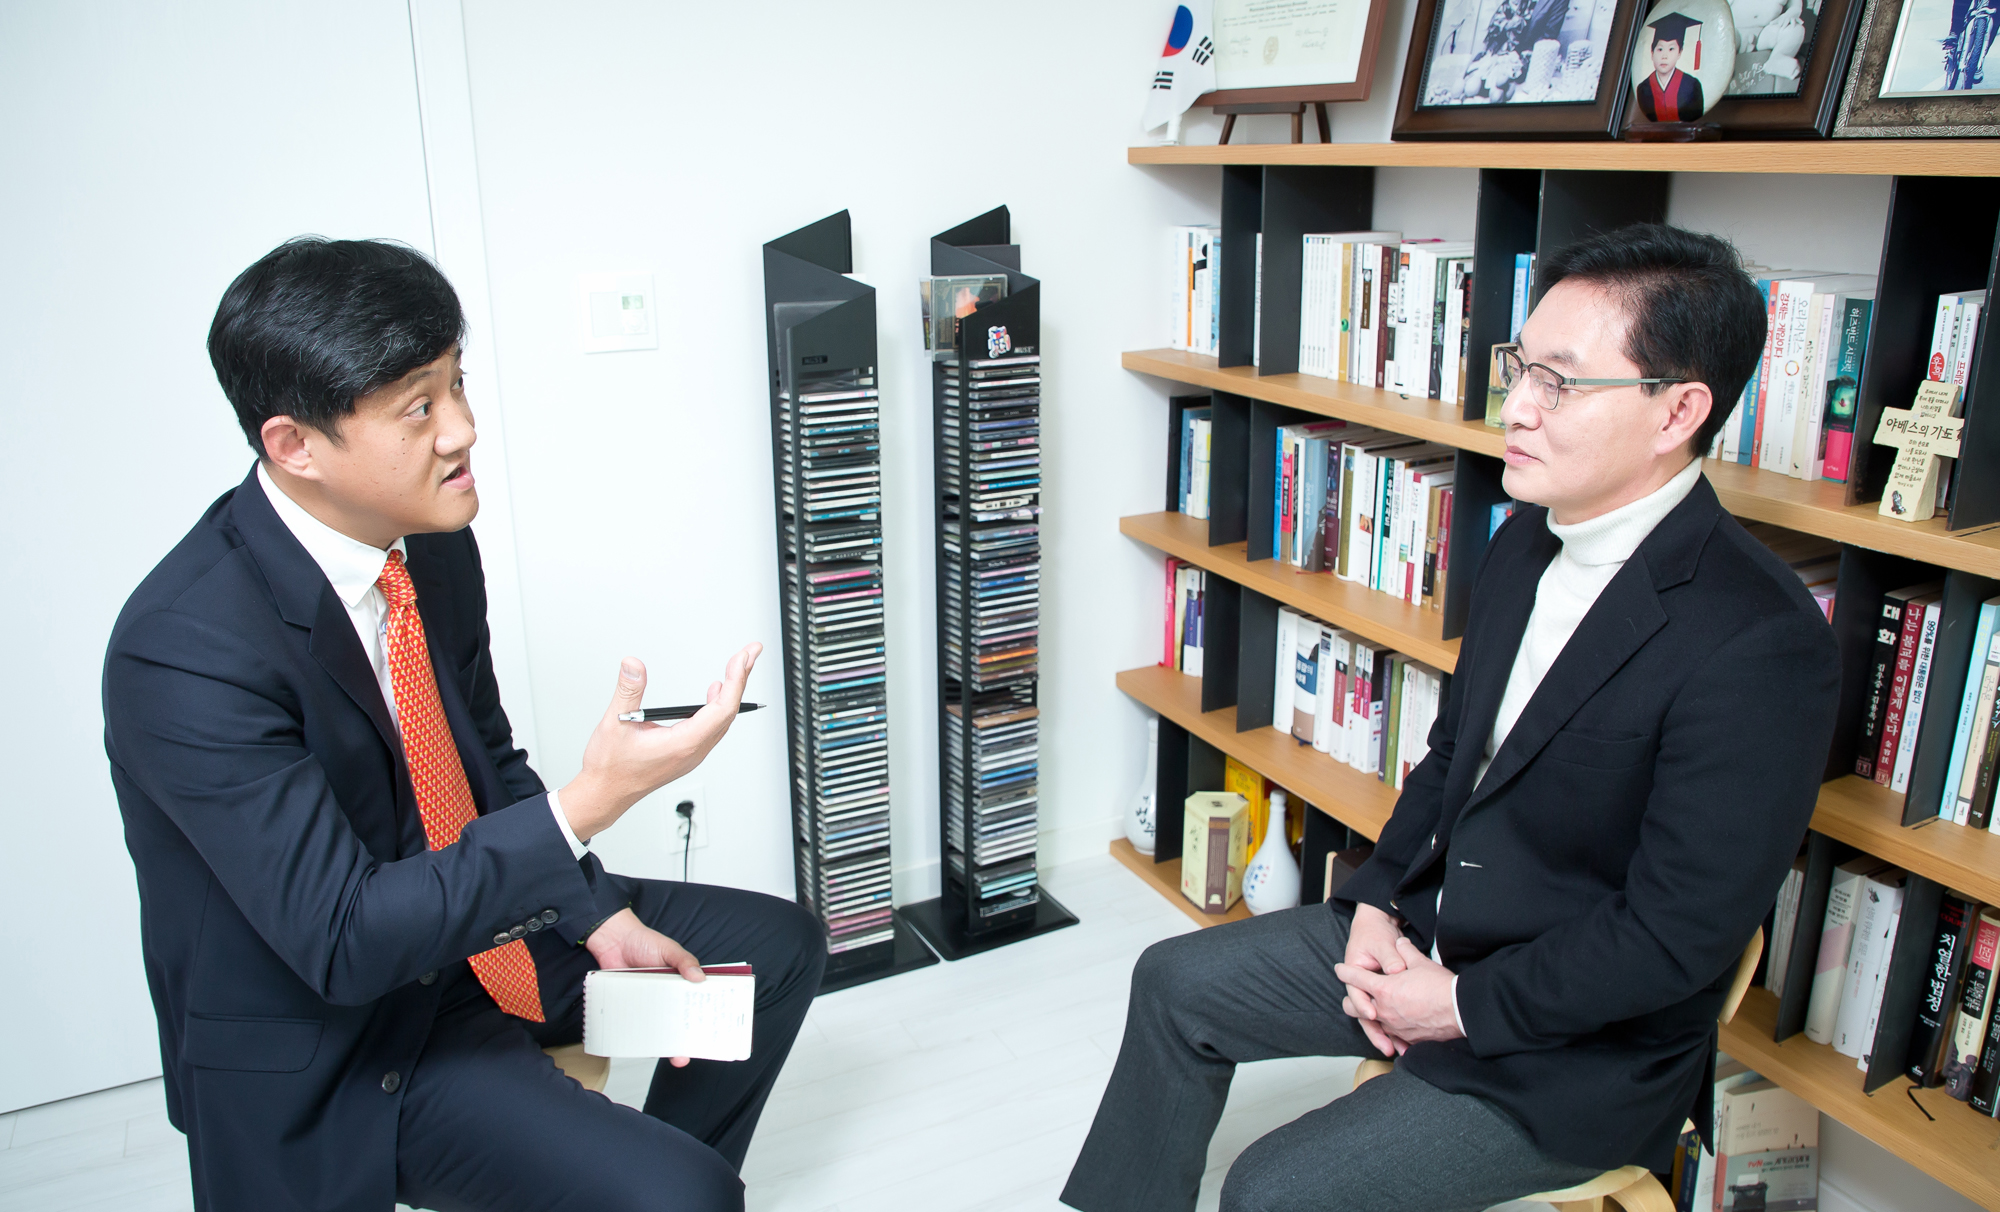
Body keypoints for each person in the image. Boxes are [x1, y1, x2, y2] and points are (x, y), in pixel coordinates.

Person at [1060, 223, 1839, 1212]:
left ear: (1677, 410)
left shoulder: (1760, 641)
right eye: (1520, 367)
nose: (1515, 407)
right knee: (1173, 983)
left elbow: (1672, 937)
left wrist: (1459, 1004)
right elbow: (1448, 759)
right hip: (1432, 935)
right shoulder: (1524, 542)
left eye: (1560, 383)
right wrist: (1377, 903)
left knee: (1269, 1190)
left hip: (1572, 1048)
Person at [102, 238, 826, 1212]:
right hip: (350, 1024)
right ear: (294, 445)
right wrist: (591, 802)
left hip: (482, 929)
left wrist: (597, 913)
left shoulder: (431, 551)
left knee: (776, 951)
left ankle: (620, 1171)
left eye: (458, 384)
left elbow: (483, 760)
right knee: (685, 1198)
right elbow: (344, 937)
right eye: (419, 406)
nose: (463, 430)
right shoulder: (183, 647)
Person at [1635, 13, 1707, 121]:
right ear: (1652, 52)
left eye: (1671, 49)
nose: (1664, 56)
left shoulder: (1692, 86)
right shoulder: (1643, 89)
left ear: (1679, 53)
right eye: (1660, 49)